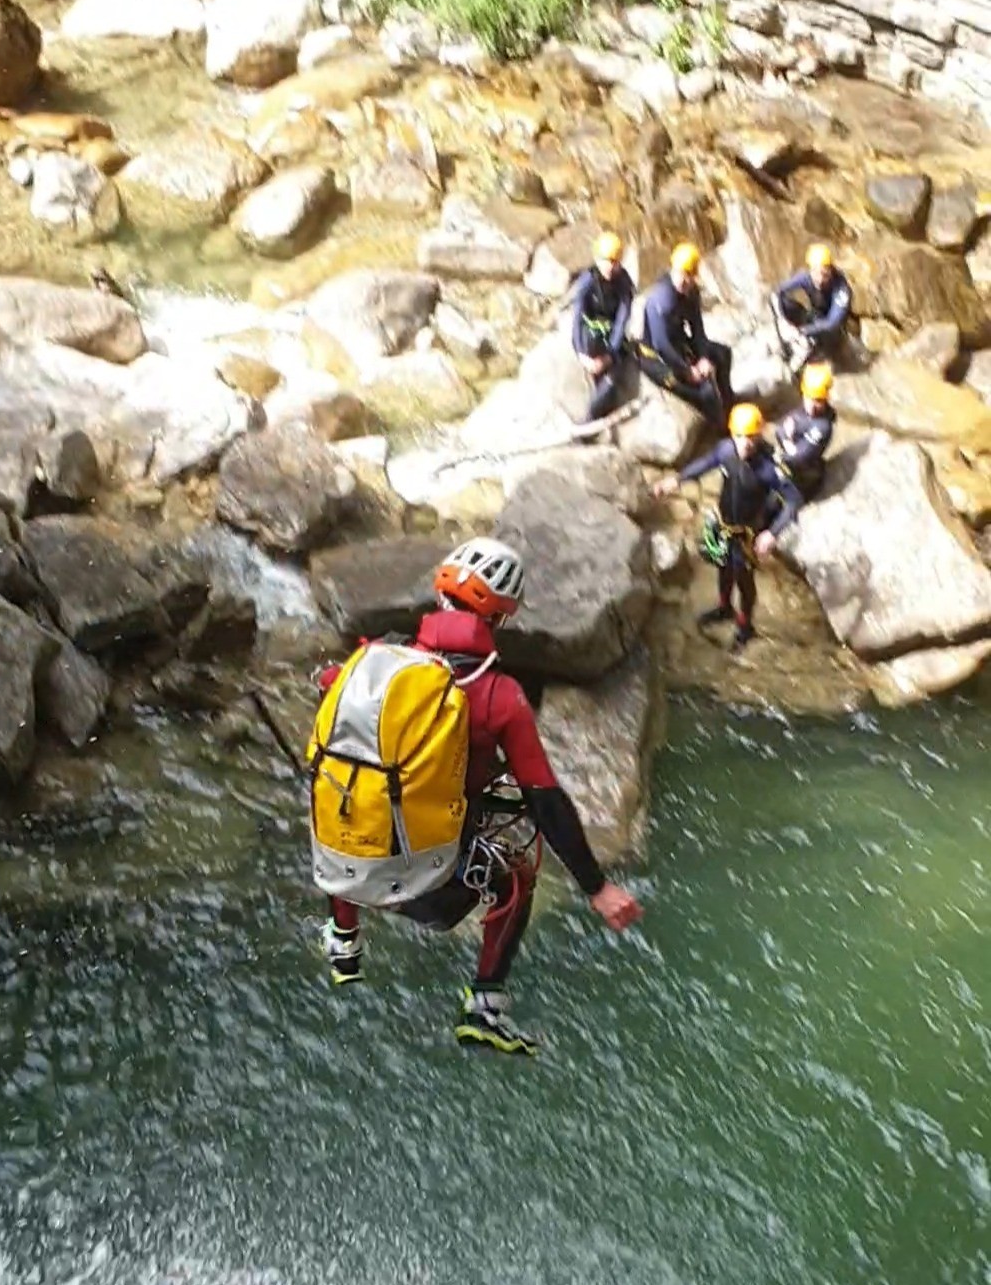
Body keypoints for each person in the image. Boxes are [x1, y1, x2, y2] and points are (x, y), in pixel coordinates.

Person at [319, 539, 642, 1056]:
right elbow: (546, 800)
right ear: (501, 613)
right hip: (424, 879)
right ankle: (485, 1010)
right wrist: (597, 888)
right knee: (516, 875)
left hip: (343, 861)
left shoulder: (370, 661)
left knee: (357, 798)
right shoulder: (498, 696)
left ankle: (343, 945)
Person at [653, 402, 802, 653]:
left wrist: (771, 534)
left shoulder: (769, 468)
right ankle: (724, 607)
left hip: (748, 532)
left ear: (758, 435)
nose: (745, 443)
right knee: (722, 566)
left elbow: (793, 500)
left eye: (750, 438)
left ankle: (745, 626)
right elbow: (706, 463)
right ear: (733, 434)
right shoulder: (726, 450)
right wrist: (677, 479)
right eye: (740, 436)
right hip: (723, 524)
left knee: (744, 580)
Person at [637, 241, 733, 425]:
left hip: (679, 345)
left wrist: (704, 356)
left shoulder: (691, 293)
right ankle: (720, 428)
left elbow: (697, 329)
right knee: (704, 391)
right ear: (673, 269)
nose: (684, 280)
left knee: (723, 354)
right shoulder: (662, 299)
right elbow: (661, 345)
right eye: (681, 273)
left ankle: (729, 405)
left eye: (689, 275)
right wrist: (688, 371)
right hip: (656, 357)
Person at [570, 231, 636, 423]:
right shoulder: (587, 282)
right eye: (606, 261)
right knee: (592, 345)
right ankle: (599, 406)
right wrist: (581, 354)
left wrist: (609, 356)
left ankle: (589, 418)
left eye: (615, 262)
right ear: (598, 260)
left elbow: (622, 321)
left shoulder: (624, 284)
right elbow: (577, 320)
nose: (610, 266)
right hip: (590, 333)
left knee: (611, 378)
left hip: (610, 335)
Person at [770, 244, 853, 374]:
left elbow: (832, 323)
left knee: (825, 329)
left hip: (832, 330)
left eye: (825, 274)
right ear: (810, 270)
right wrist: (782, 321)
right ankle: (788, 345)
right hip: (814, 316)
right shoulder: (805, 277)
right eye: (816, 273)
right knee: (785, 303)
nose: (820, 279)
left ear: (831, 270)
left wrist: (801, 331)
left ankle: (813, 352)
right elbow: (778, 291)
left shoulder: (841, 289)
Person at [775, 362, 836, 500]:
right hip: (794, 466)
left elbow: (798, 457)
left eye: (818, 401)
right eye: (809, 399)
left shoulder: (822, 427)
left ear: (826, 400)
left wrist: (788, 440)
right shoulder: (802, 412)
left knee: (787, 507)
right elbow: (779, 430)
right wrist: (787, 442)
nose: (812, 406)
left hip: (805, 480)